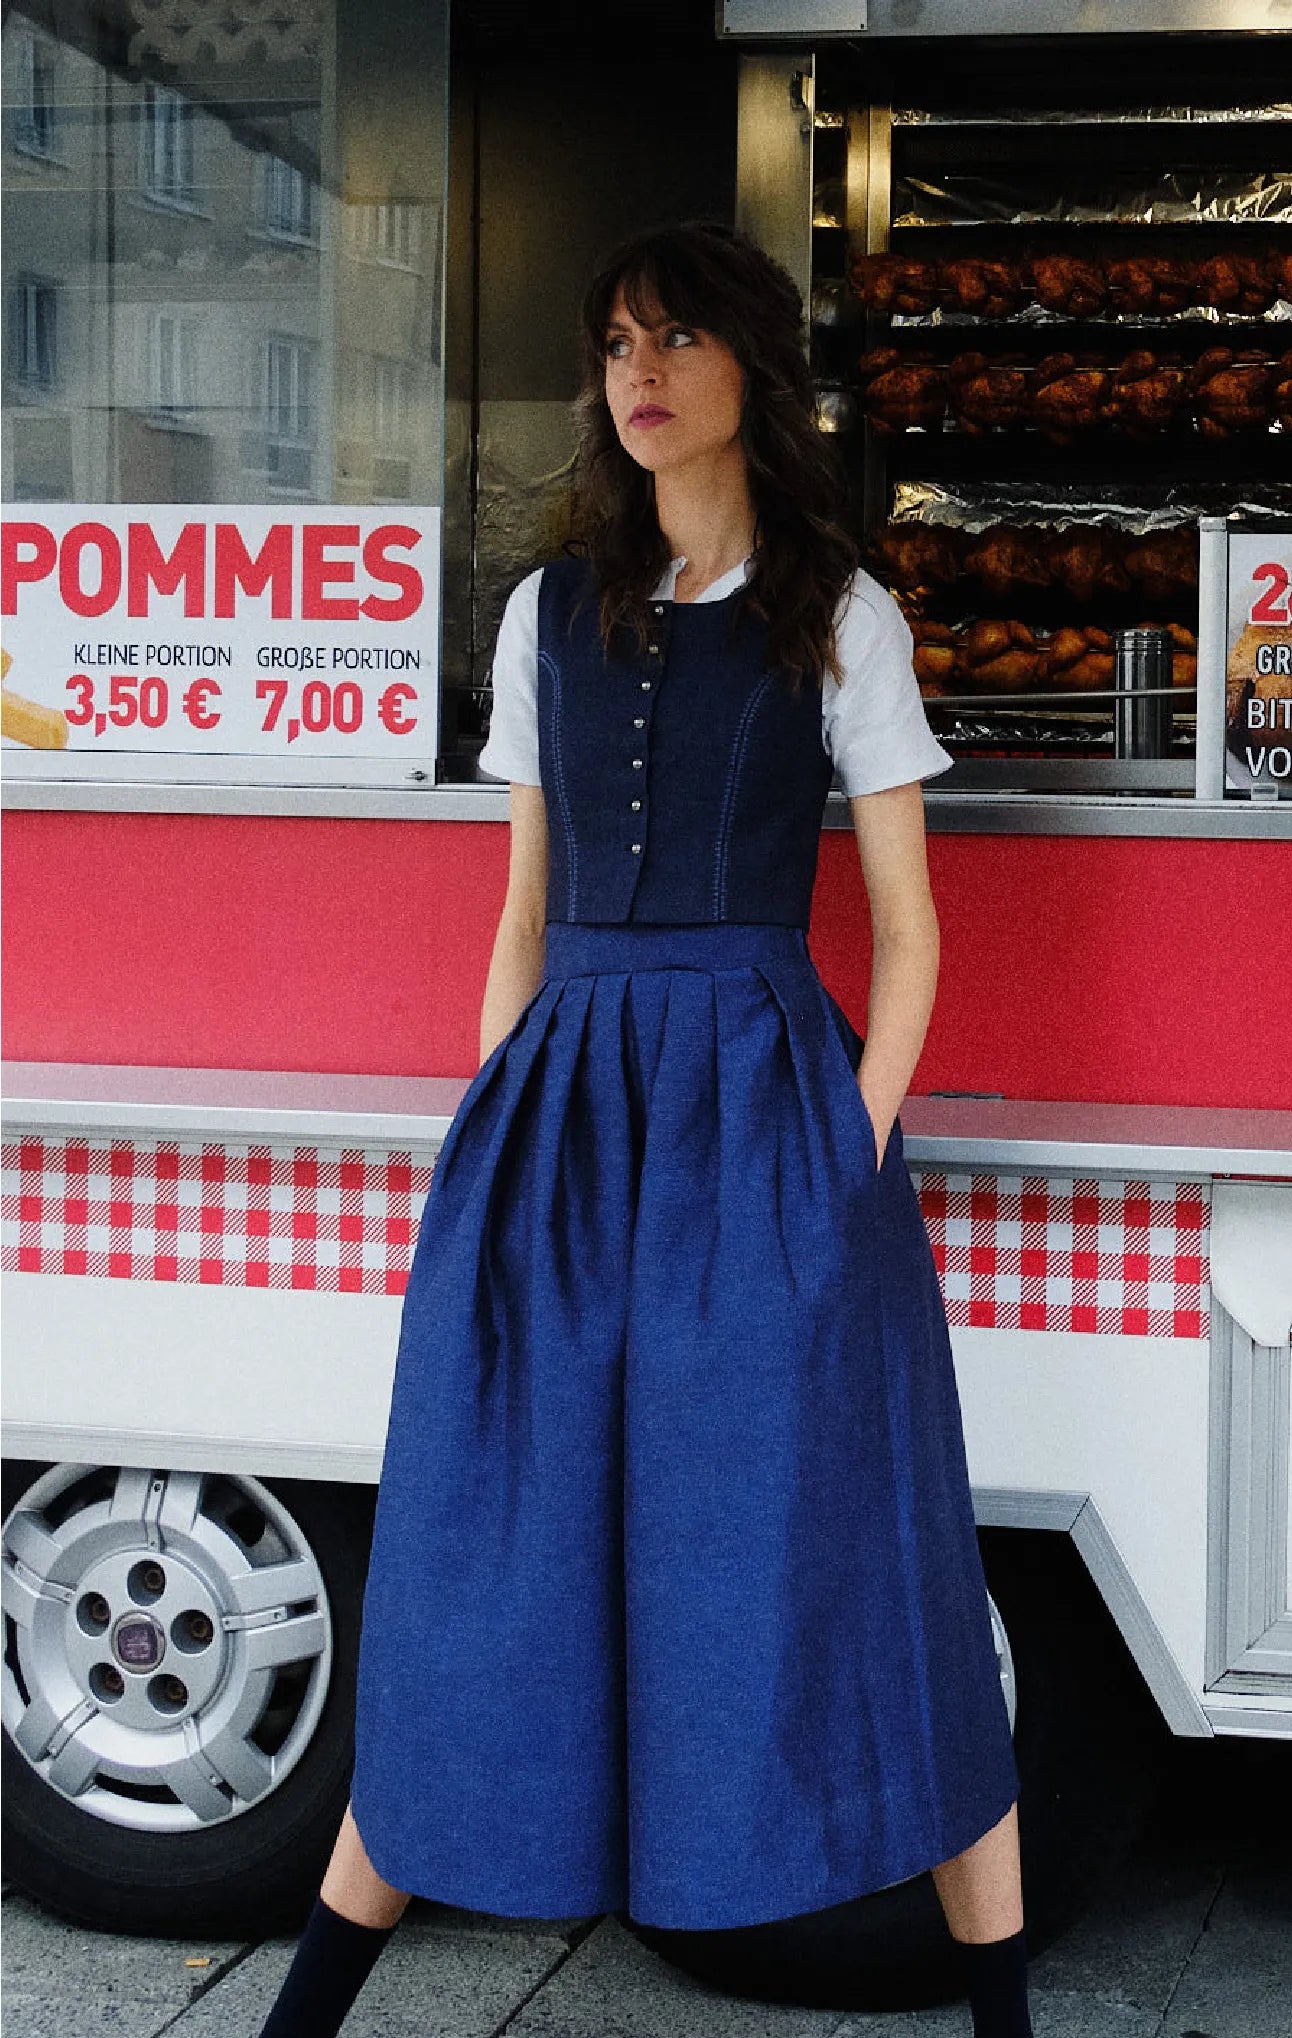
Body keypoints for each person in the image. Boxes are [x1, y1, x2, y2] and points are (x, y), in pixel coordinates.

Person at [258, 219, 1033, 2038]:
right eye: (615, 342)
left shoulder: (841, 615)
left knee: (849, 1563)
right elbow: (522, 911)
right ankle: (300, 2018)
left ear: (751, 365)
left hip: (768, 1126)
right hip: (563, 1128)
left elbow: (908, 931)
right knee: (494, 1564)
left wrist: (842, 1155)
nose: (638, 373)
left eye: (674, 337)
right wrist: (497, 1133)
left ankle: (1003, 2021)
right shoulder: (548, 614)